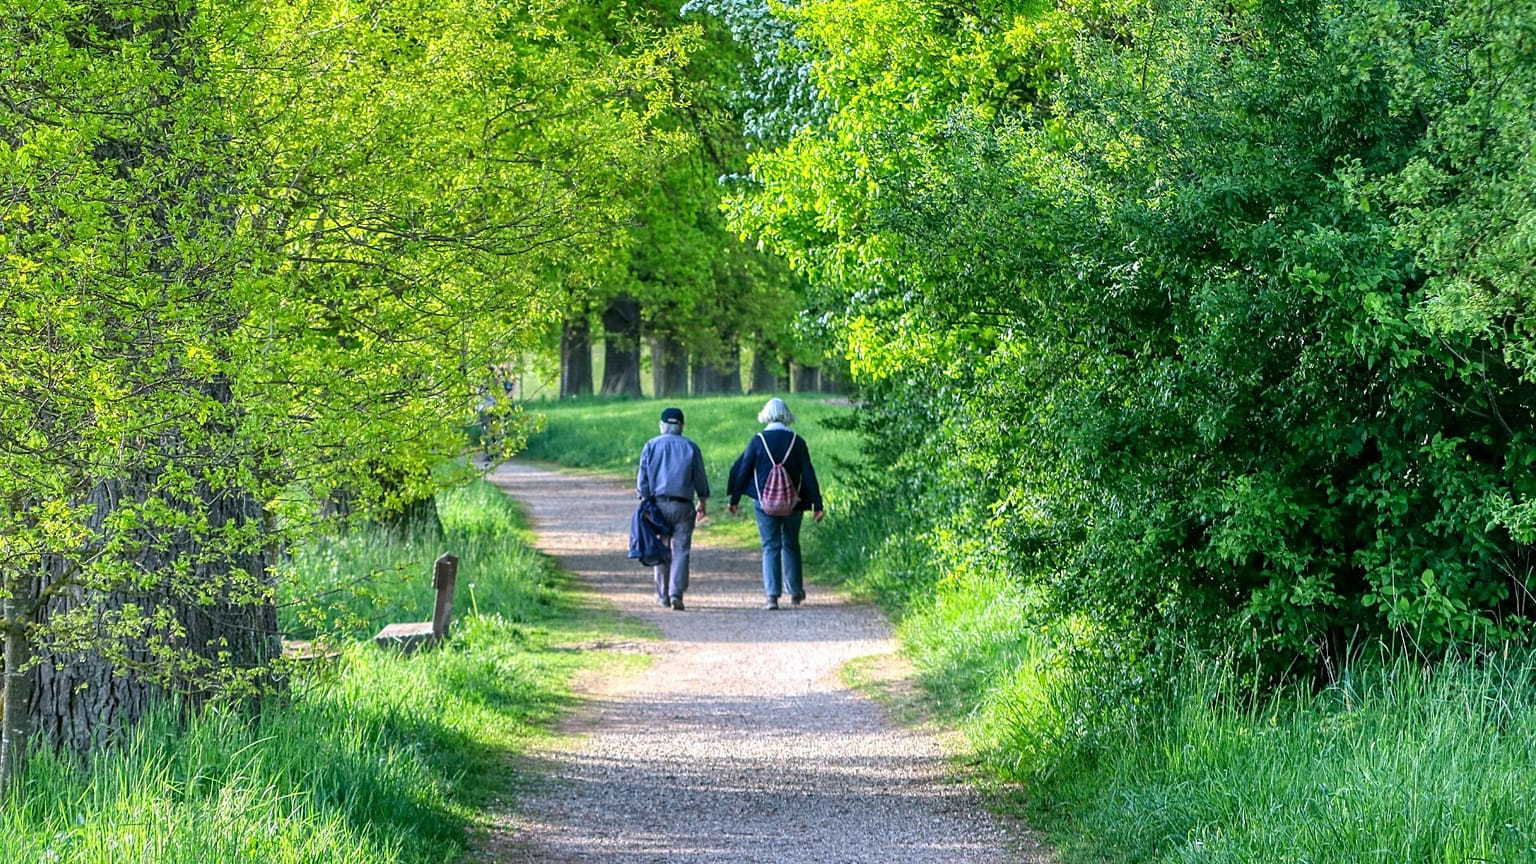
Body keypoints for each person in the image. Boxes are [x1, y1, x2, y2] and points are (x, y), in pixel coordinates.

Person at [727, 398, 824, 610]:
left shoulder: (758, 440)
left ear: (766, 414)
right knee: (791, 544)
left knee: (770, 546)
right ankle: (796, 592)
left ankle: (772, 596)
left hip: (764, 504)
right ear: (786, 415)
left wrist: (734, 500)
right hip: (794, 503)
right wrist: (817, 504)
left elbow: (743, 470)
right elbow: (808, 474)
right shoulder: (797, 442)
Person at [637, 406, 710, 611]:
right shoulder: (691, 447)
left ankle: (662, 595)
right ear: (681, 426)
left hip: (657, 505)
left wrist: (644, 499)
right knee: (682, 550)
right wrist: (702, 499)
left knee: (661, 548)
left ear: (662, 425)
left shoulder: (651, 446)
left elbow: (642, 478)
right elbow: (699, 477)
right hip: (683, 506)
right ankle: (676, 593)